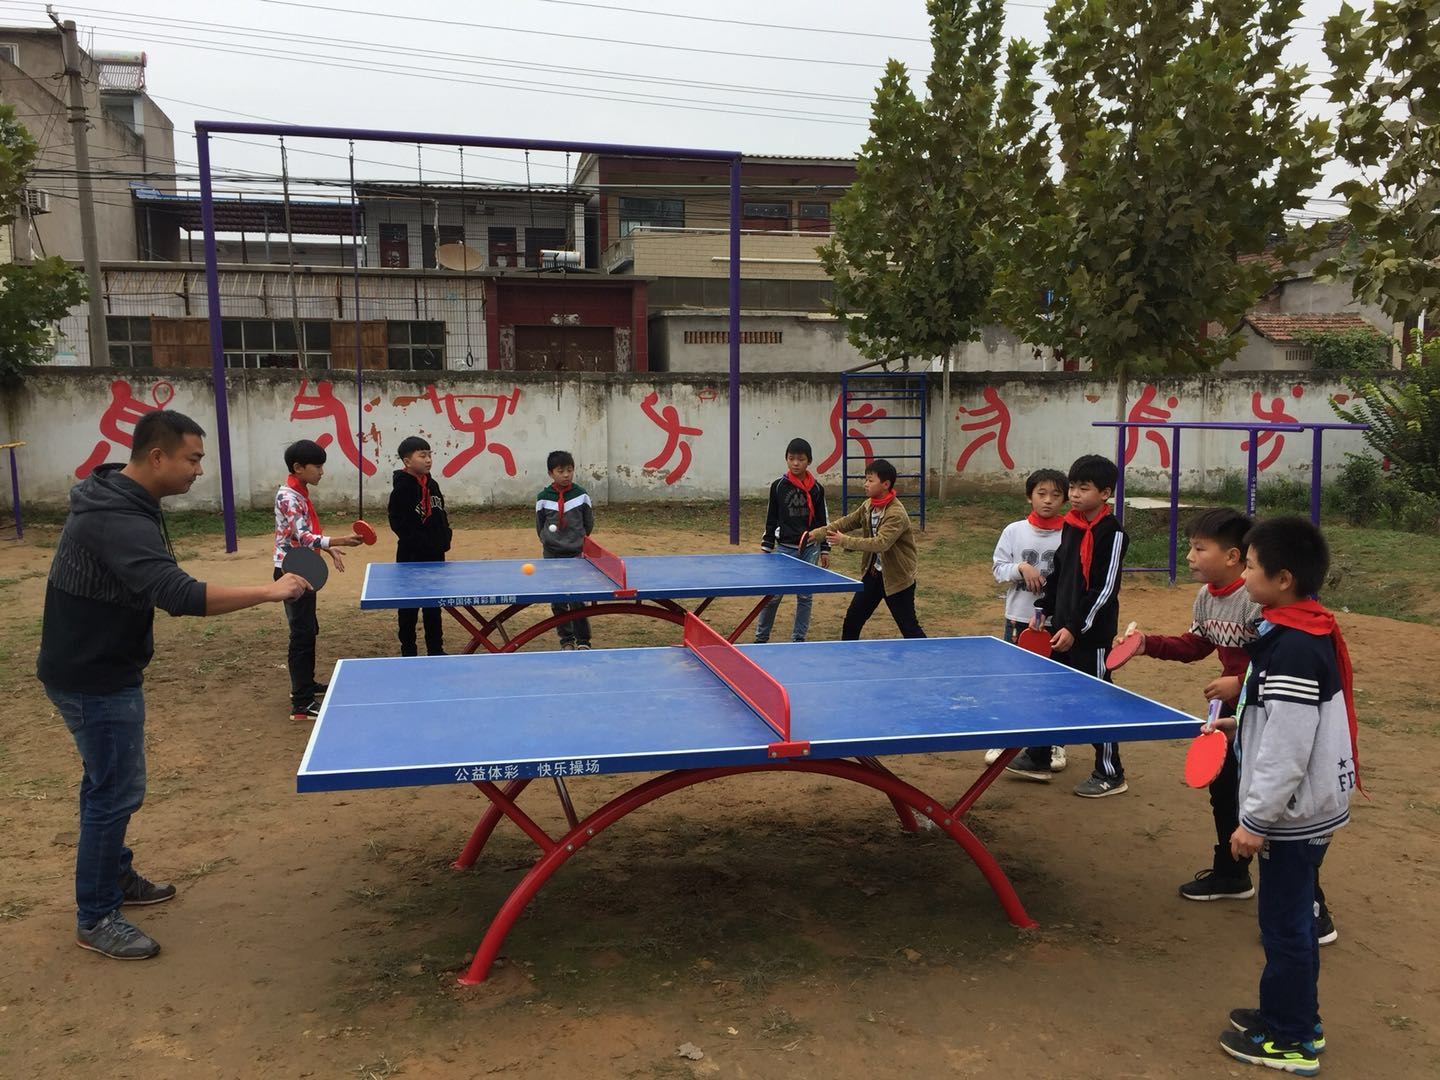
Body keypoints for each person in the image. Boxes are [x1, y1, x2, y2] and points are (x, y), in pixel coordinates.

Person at [37, 410, 310, 961]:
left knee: (106, 783)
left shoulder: (123, 499)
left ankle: (114, 877)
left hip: (97, 664)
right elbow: (178, 594)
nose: (198, 470)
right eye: (192, 459)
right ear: (157, 456)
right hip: (93, 674)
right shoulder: (118, 517)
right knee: (115, 791)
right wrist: (270, 590)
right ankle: (96, 915)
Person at [1217, 517, 1358, 1075]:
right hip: (1305, 807)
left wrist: (1254, 821)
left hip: (1291, 816)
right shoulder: (1296, 630)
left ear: (1283, 579)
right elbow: (1285, 722)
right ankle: (1288, 1014)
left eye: (1250, 566)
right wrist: (1241, 724)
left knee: (1285, 927)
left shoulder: (1295, 647)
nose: (1243, 574)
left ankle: (1293, 1038)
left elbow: (1288, 749)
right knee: (1288, 922)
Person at [1123, 509, 1270, 901]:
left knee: (1269, 795)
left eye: (1200, 548)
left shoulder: (1256, 600)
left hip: (1267, 710)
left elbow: (1278, 660)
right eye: (1190, 547)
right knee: (1224, 791)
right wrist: (1145, 644)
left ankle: (1308, 900)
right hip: (1231, 711)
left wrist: (1239, 681)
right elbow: (1195, 645)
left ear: (1233, 557)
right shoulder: (1206, 597)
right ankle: (1231, 874)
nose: (1189, 556)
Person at [1006, 454, 1129, 796]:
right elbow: (1060, 572)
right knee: (1051, 691)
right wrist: (1044, 608)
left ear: (1104, 493)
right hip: (1061, 629)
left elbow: (1104, 589)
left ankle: (1111, 772)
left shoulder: (1113, 533)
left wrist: (1076, 628)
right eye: (1072, 487)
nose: (1074, 494)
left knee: (1096, 701)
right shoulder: (1072, 525)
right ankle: (1039, 756)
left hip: (1091, 636)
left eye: (1083, 488)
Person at [987, 467, 1069, 770]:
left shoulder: (1070, 533)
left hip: (1056, 624)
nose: (1048, 500)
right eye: (1041, 494)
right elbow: (998, 569)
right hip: (1018, 619)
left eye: (1055, 495)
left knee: (1054, 684)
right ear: (1029, 497)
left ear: (1064, 499)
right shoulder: (1014, 531)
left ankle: (1055, 744)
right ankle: (1010, 738)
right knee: (1015, 681)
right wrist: (1021, 568)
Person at [274, 438, 361, 721]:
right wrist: (339, 540)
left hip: (304, 566)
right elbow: (302, 536)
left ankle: (307, 684)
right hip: (291, 571)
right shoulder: (289, 497)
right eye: (317, 466)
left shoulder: (300, 493)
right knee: (301, 634)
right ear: (298, 467)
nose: (322, 472)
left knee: (309, 630)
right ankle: (301, 703)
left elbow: (304, 534)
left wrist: (327, 548)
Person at [807, 458, 925, 640]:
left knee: (909, 628)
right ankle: (849, 655)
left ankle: (930, 656)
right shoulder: (869, 505)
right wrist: (819, 533)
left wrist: (844, 541)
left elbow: (880, 543)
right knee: (852, 622)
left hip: (897, 579)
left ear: (885, 484)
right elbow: (848, 522)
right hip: (874, 576)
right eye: (866, 480)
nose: (865, 484)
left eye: (870, 480)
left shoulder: (896, 514)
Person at [755, 437, 831, 643]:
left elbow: (822, 521)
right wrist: (766, 547)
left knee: (805, 596)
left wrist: (824, 548)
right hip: (784, 549)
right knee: (773, 596)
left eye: (801, 459)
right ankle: (761, 638)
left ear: (809, 461)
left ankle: (798, 639)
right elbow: (771, 518)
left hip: (810, 548)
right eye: (791, 458)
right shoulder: (778, 486)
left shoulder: (817, 489)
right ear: (786, 459)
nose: (796, 463)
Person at [387, 435, 452, 657]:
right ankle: (409, 651)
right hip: (411, 556)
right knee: (409, 607)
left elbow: (441, 514)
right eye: (422, 455)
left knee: (433, 605)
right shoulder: (402, 489)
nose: (428, 459)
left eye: (430, 455)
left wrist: (445, 538)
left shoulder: (432, 485)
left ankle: (436, 649)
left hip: (435, 555)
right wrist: (420, 543)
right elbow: (398, 523)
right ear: (407, 461)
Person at [536, 449, 595, 650]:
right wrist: (549, 541)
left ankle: (583, 641)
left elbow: (588, 523)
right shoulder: (543, 498)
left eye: (569, 470)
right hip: (552, 554)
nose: (566, 475)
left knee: (577, 600)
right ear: (551, 473)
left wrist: (576, 541)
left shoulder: (581, 495)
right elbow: (540, 525)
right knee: (558, 600)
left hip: (576, 554)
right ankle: (566, 640)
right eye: (560, 471)